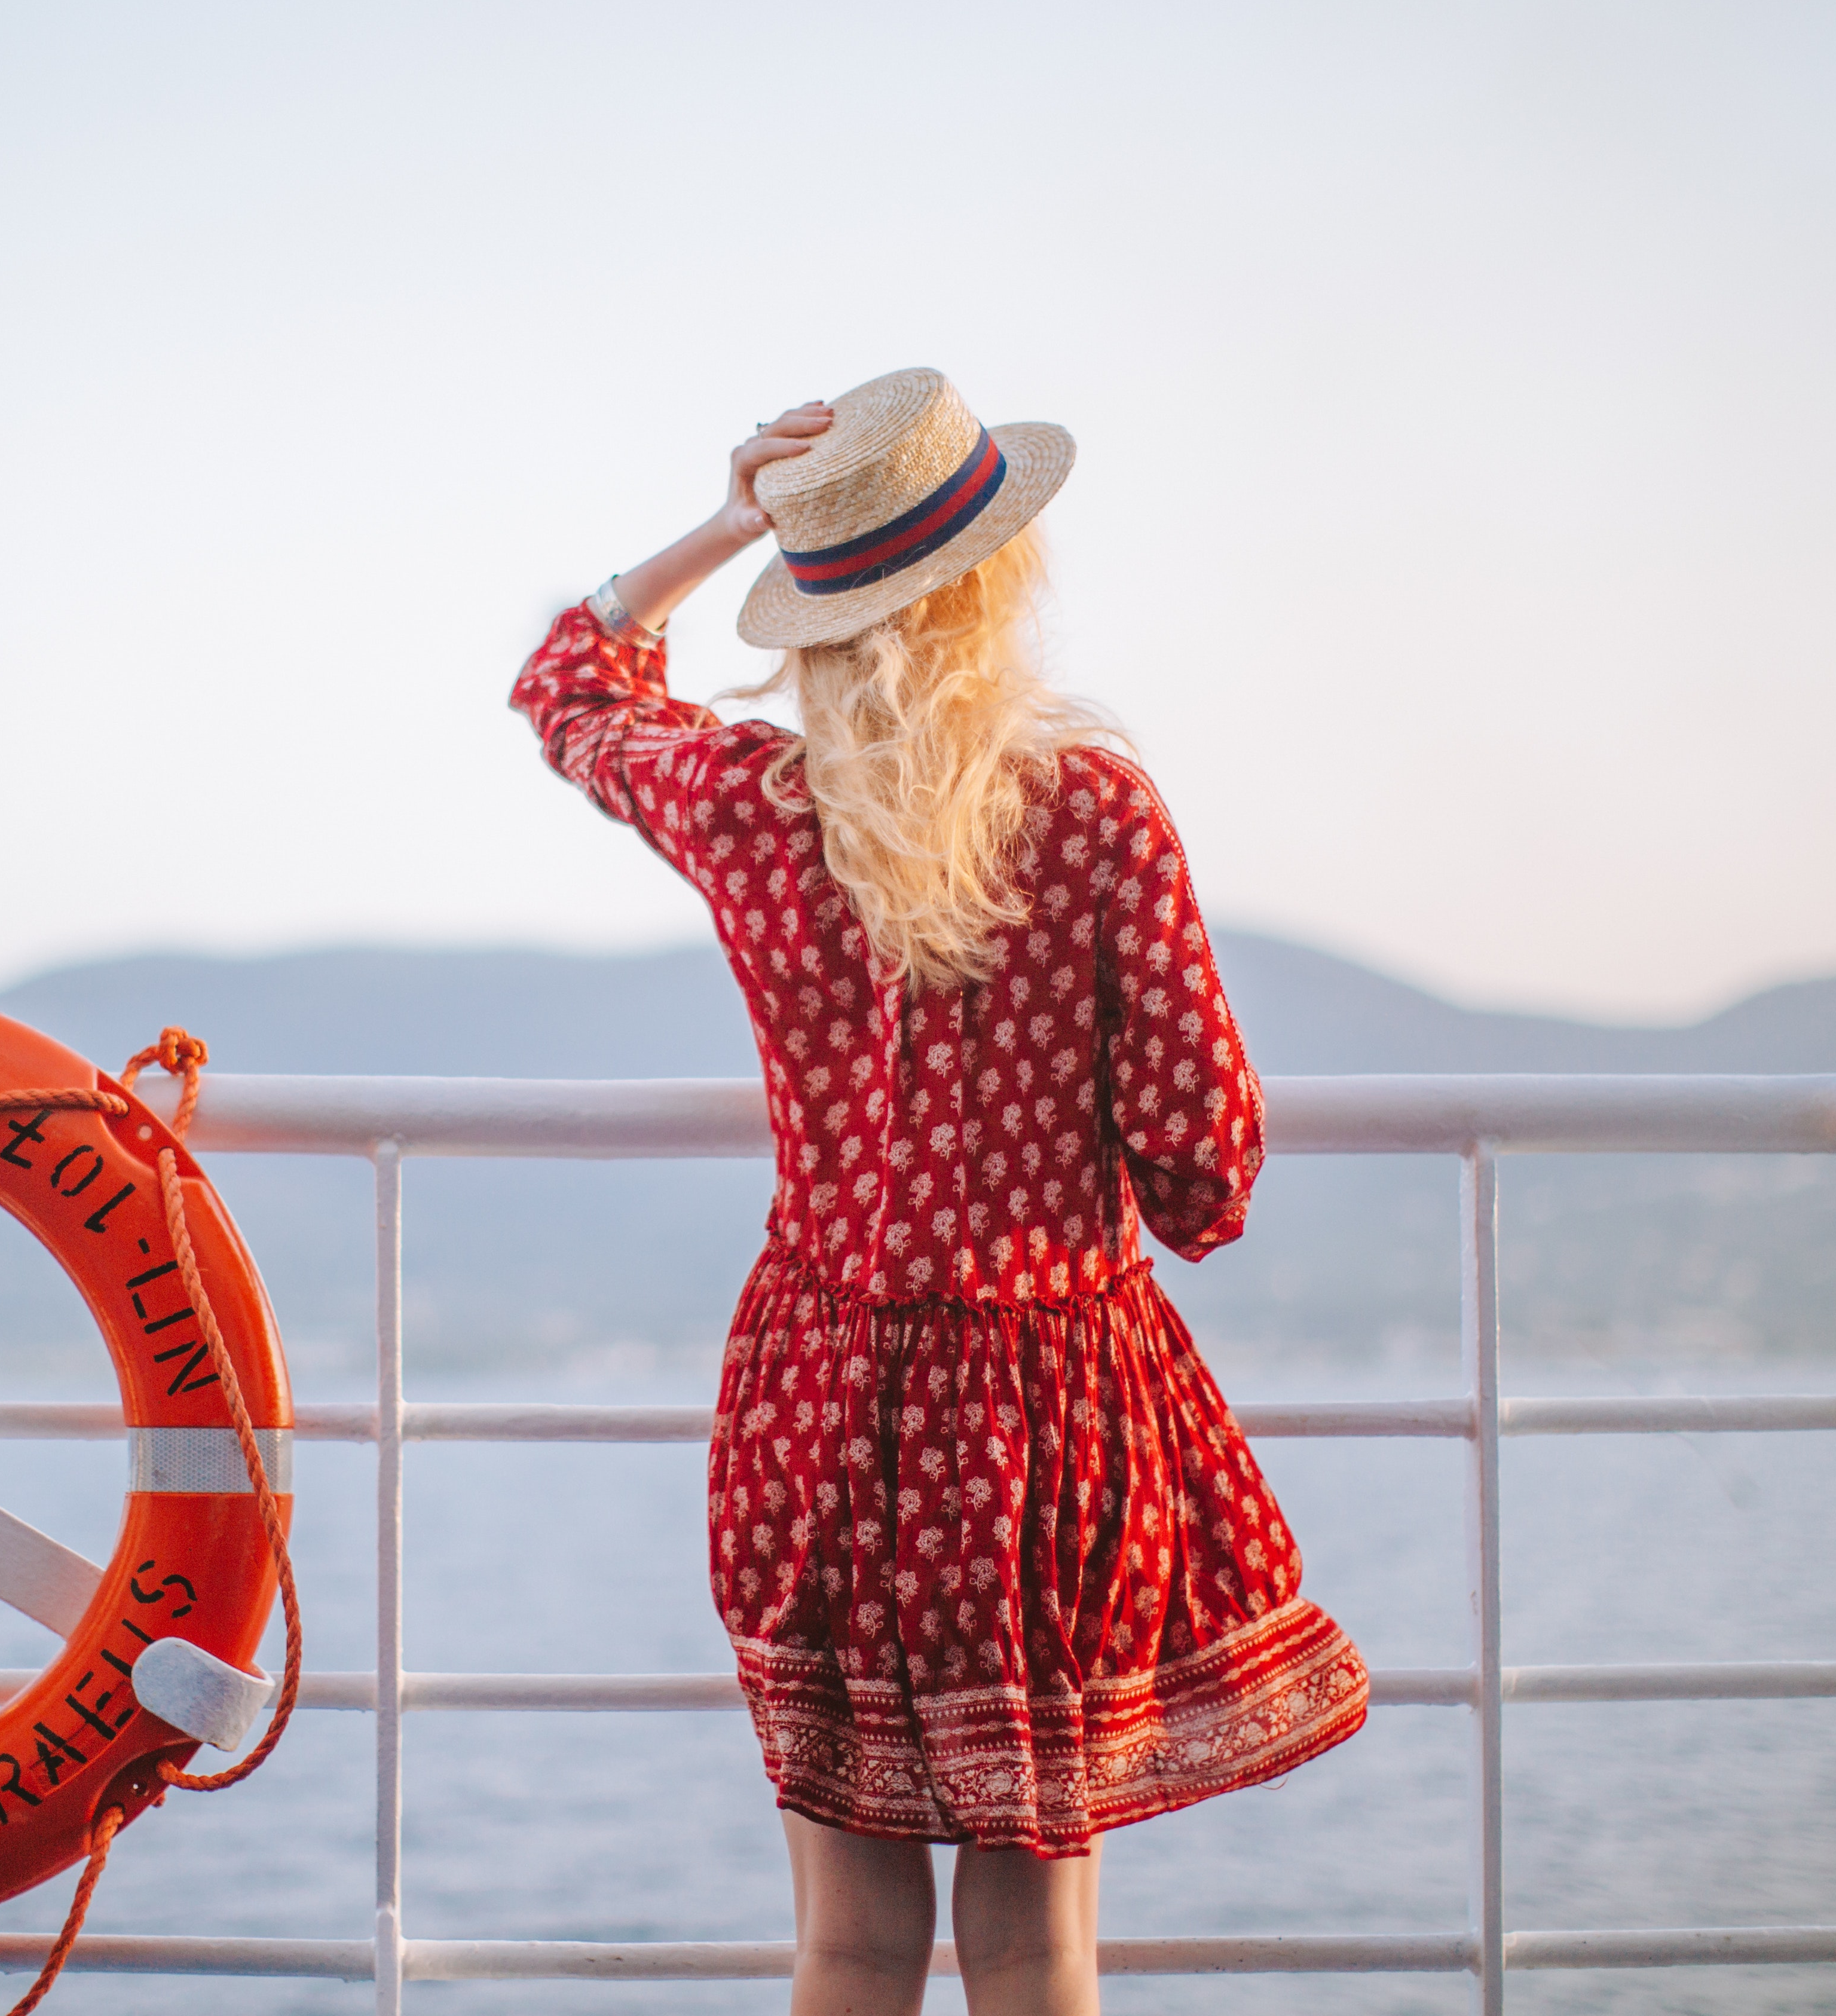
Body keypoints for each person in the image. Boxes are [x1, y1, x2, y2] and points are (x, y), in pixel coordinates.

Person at [510, 371, 1370, 2016]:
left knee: (847, 1940)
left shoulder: (755, 808)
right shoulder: (1097, 813)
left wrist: (719, 522)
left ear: (818, 604)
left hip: (817, 1410)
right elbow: (1206, 1174)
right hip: (1040, 1425)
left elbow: (568, 687)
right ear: (995, 582)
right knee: (1036, 1944)